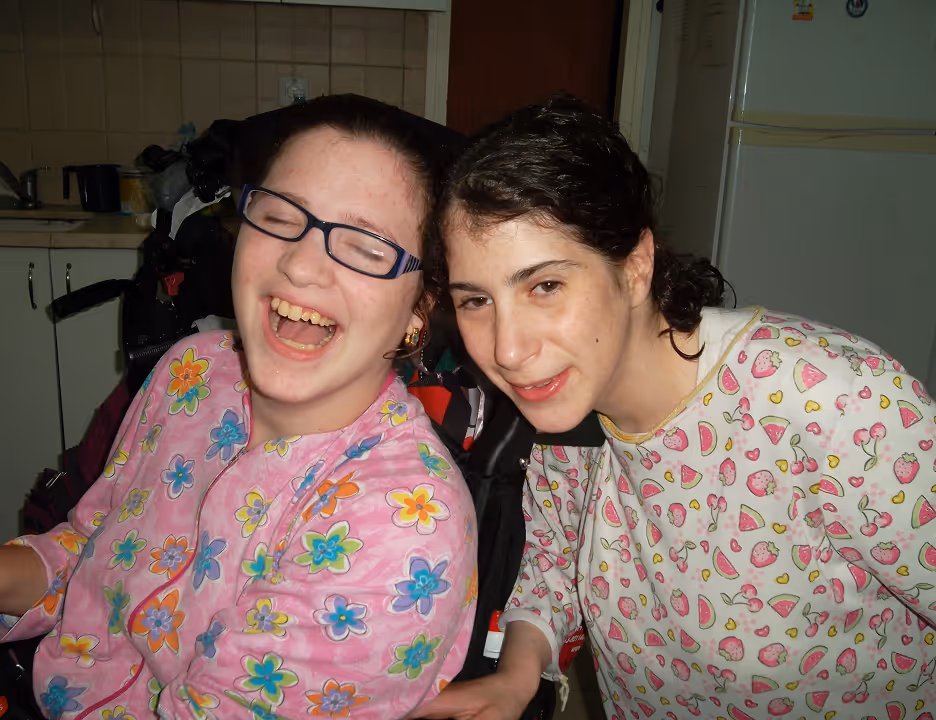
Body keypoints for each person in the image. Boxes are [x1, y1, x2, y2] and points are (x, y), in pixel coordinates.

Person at [413, 96, 936, 720]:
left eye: (545, 286)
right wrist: (517, 677)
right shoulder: (560, 414)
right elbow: (554, 564)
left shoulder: (833, 402)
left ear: (636, 266)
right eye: (476, 301)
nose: (508, 349)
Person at [0, 95, 476, 720]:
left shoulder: (402, 528)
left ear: (419, 309)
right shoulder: (195, 371)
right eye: (280, 216)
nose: (300, 265)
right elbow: (95, 555)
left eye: (366, 247)